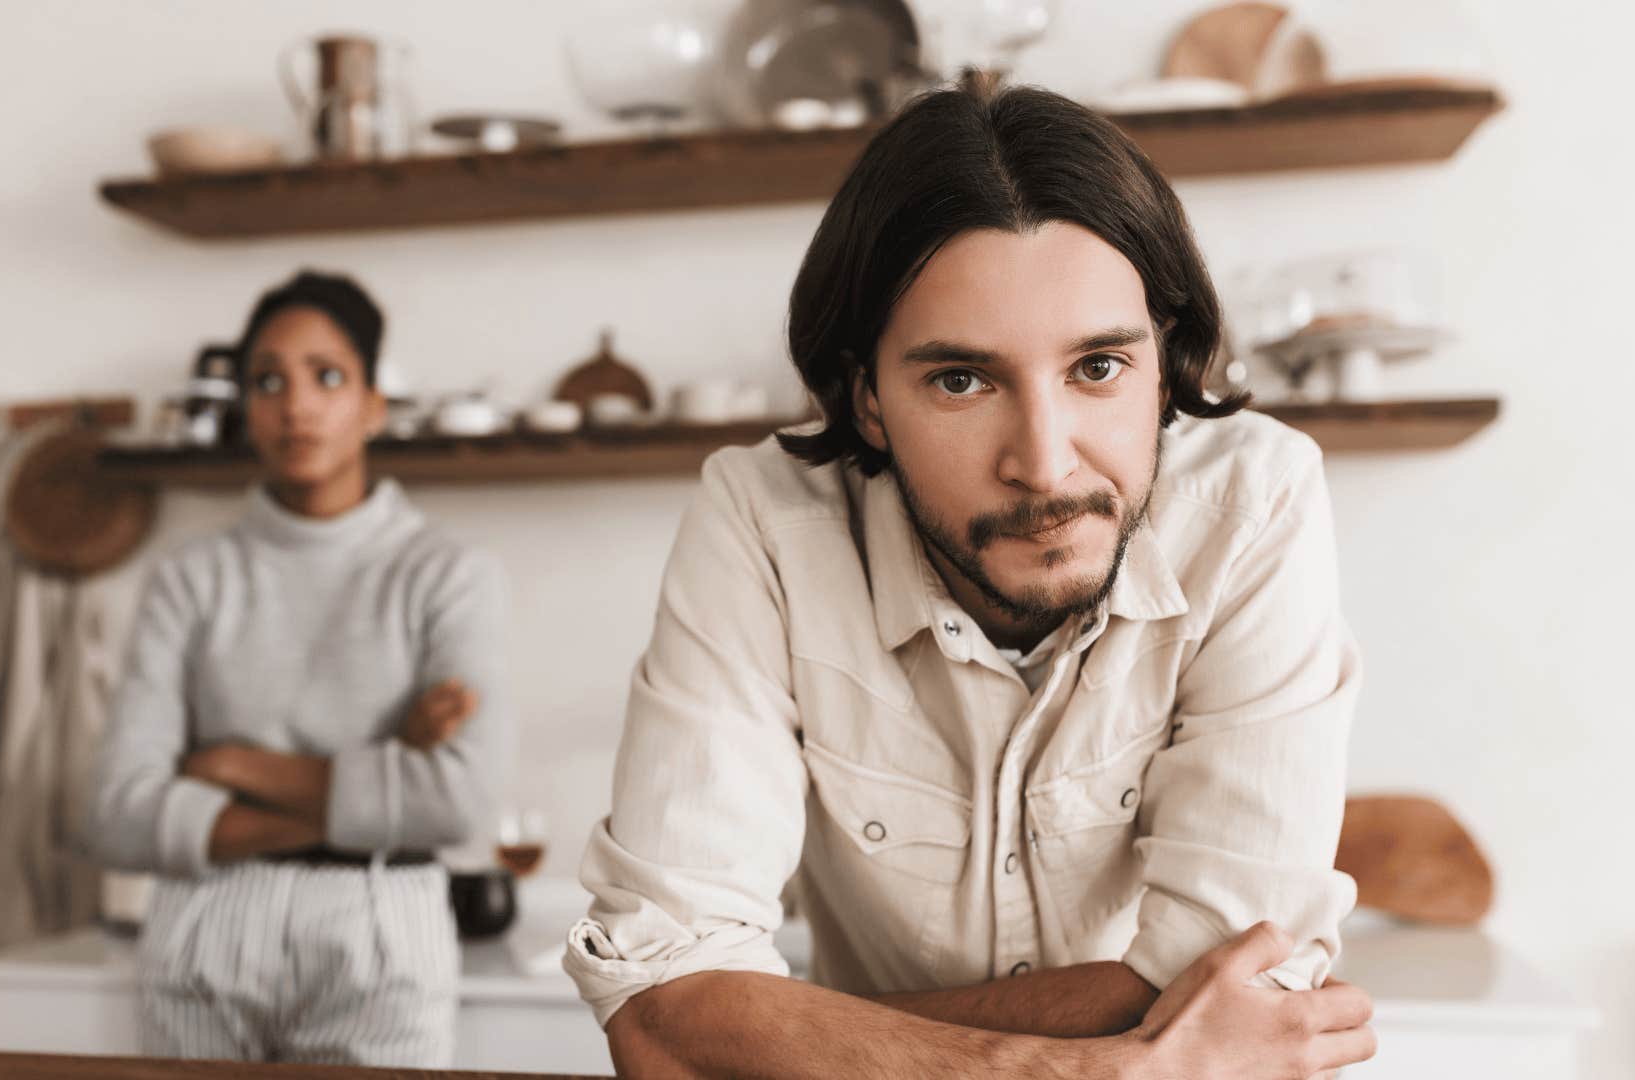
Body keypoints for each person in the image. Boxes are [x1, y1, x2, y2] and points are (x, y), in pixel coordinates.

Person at [563, 82, 1375, 1079]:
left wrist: (804, 1033)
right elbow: (660, 1012)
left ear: (1163, 365)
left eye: (1098, 368)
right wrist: (1098, 1067)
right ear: (866, 398)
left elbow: (1240, 988)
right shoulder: (764, 521)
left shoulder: (1254, 502)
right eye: (961, 380)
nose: (1043, 464)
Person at [89, 270, 508, 1066]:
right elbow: (117, 810)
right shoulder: (190, 577)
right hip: (201, 926)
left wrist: (230, 764)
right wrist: (384, 775)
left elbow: (460, 802)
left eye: (328, 375)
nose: (297, 405)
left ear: (373, 404)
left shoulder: (448, 574)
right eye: (268, 381)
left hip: (382, 921)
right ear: (246, 409)